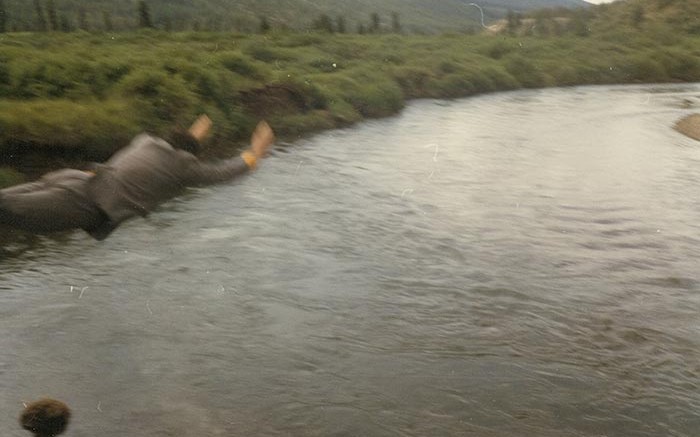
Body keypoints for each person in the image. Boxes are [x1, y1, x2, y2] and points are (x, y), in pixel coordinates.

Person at [0, 115, 274, 240]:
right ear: (188, 154)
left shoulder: (146, 140)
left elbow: (179, 146)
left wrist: (193, 135)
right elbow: (222, 172)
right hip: (86, 203)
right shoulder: (184, 166)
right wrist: (255, 154)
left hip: (73, 178)